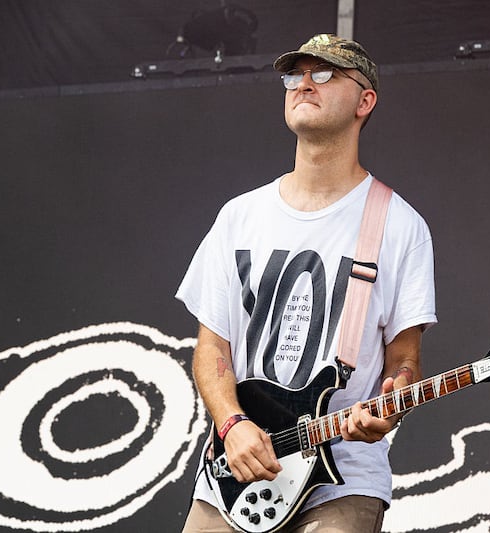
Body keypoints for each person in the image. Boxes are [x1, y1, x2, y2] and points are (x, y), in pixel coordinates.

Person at [176, 33, 437, 532]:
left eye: (324, 74)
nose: (303, 86)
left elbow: (404, 361)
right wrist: (232, 425)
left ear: (365, 101)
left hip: (341, 479)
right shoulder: (240, 216)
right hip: (234, 475)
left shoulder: (400, 226)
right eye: (294, 76)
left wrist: (390, 407)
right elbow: (212, 349)